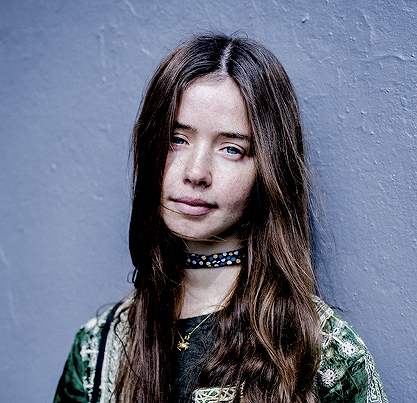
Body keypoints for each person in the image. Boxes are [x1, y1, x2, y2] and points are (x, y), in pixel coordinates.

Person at [53, 34, 388, 403]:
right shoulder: (98, 353)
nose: (196, 172)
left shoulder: (327, 357)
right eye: (177, 139)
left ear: (268, 170)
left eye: (231, 149)